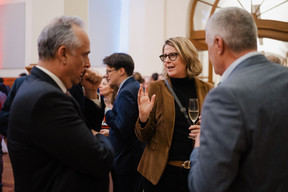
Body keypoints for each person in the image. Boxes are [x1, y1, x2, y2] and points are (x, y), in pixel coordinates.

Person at [7, 16, 114, 192]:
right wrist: (97, 135)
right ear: (63, 53)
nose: (88, 64)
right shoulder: (47, 98)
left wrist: (90, 93)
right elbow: (100, 158)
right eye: (84, 54)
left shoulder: (40, 87)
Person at [188, 7, 288, 192]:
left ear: (218, 44)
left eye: (208, 45)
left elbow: (205, 186)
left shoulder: (224, 96)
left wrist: (199, 144)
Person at [135, 37, 213, 191]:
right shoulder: (156, 88)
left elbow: (219, 131)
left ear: (187, 55)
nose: (167, 61)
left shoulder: (208, 89)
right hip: (162, 174)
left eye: (172, 55)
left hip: (196, 171)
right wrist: (143, 118)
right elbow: (143, 136)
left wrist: (205, 133)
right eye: (164, 56)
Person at [103, 53, 144, 192]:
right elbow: (129, 123)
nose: (106, 75)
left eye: (109, 71)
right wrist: (111, 131)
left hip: (126, 161)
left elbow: (122, 128)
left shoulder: (127, 91)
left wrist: (108, 111)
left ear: (121, 71)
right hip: (133, 157)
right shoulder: (134, 86)